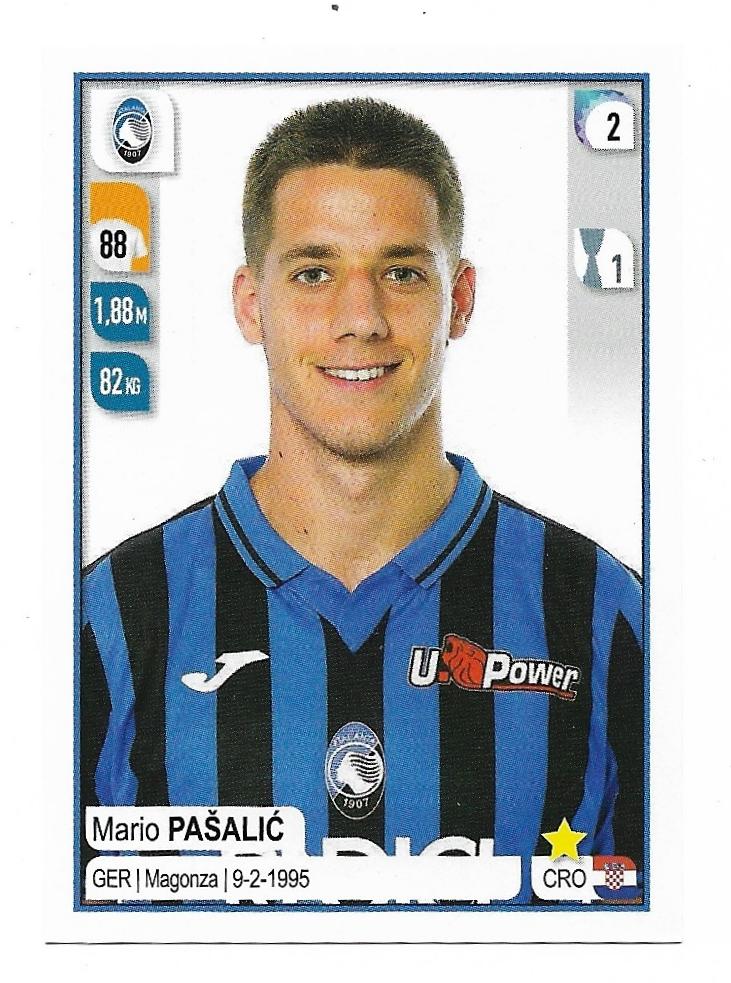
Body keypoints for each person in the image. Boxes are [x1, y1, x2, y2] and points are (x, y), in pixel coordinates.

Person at [81, 98, 643, 904]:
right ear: (250, 303)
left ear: (460, 299)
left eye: (401, 272)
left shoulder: (602, 610)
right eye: (314, 272)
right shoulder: (110, 617)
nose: (360, 319)